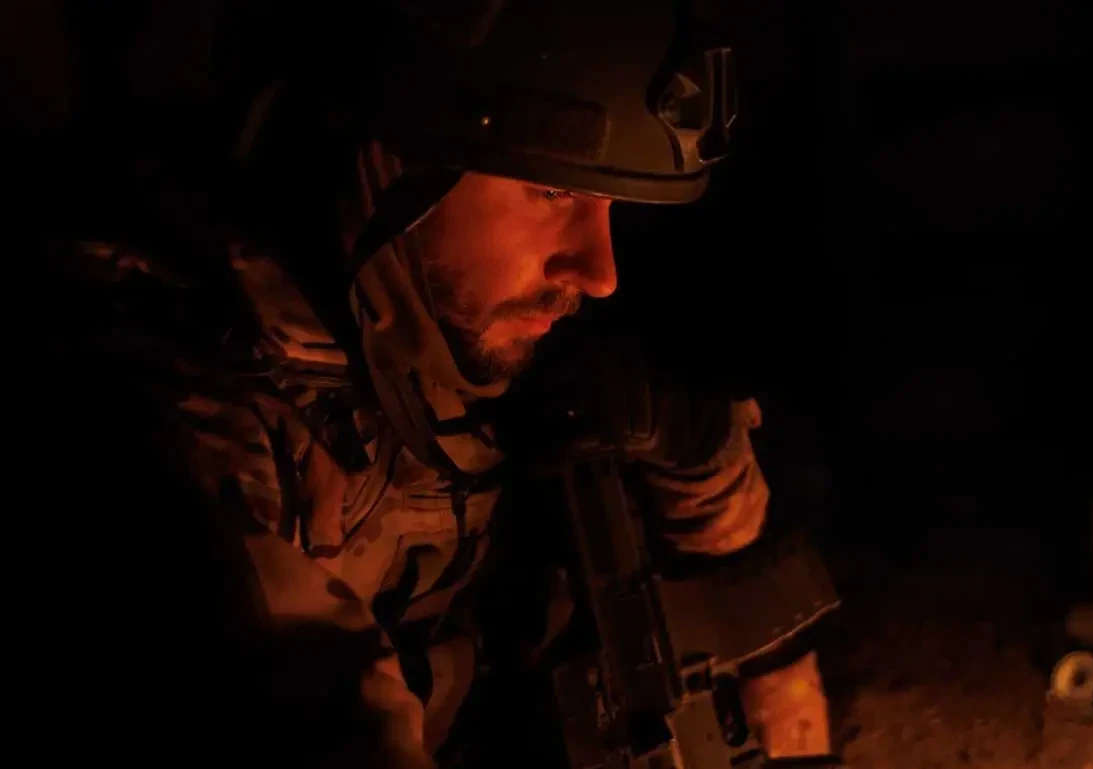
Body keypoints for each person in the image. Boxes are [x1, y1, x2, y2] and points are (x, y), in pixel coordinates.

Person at [38, 1, 840, 766]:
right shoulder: (183, 404)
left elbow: (700, 461)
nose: (600, 272)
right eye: (552, 191)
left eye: (608, 205)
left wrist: (779, 661)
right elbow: (319, 707)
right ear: (395, 164)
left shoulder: (463, 322)